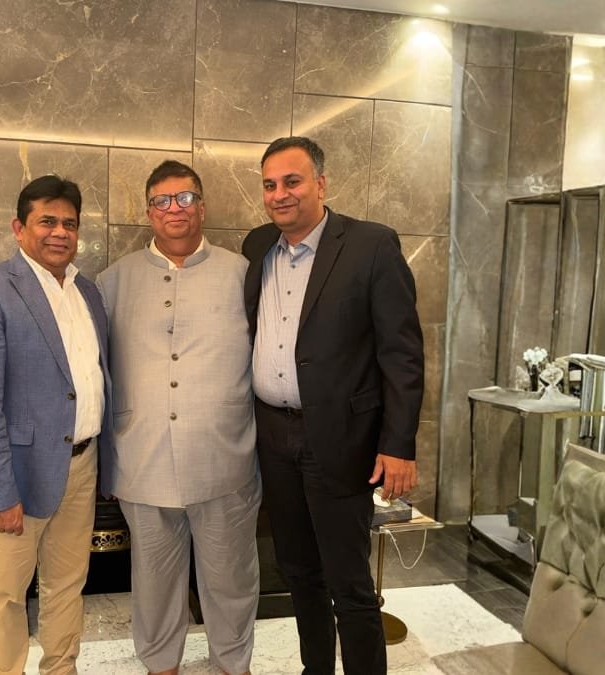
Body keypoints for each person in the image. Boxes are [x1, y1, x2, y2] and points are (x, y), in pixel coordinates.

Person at [242, 137, 424, 674]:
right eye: (270, 185)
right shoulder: (258, 247)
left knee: (349, 582)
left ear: (321, 183)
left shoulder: (371, 245)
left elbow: (402, 354)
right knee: (298, 570)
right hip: (273, 436)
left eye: (292, 181)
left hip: (341, 439)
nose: (280, 194)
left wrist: (398, 445)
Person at [97, 160, 259, 675]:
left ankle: (232, 665)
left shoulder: (243, 275)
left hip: (226, 459)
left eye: (185, 198)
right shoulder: (112, 281)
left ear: (202, 207)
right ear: (148, 212)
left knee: (231, 579)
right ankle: (160, 665)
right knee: (153, 580)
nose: (175, 209)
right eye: (162, 201)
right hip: (141, 460)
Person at [0, 175, 114, 675]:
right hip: (17, 473)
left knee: (68, 586)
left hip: (81, 466)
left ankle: (62, 668)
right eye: (47, 221)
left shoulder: (88, 292)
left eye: (69, 223)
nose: (59, 232)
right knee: (6, 594)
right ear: (19, 228)